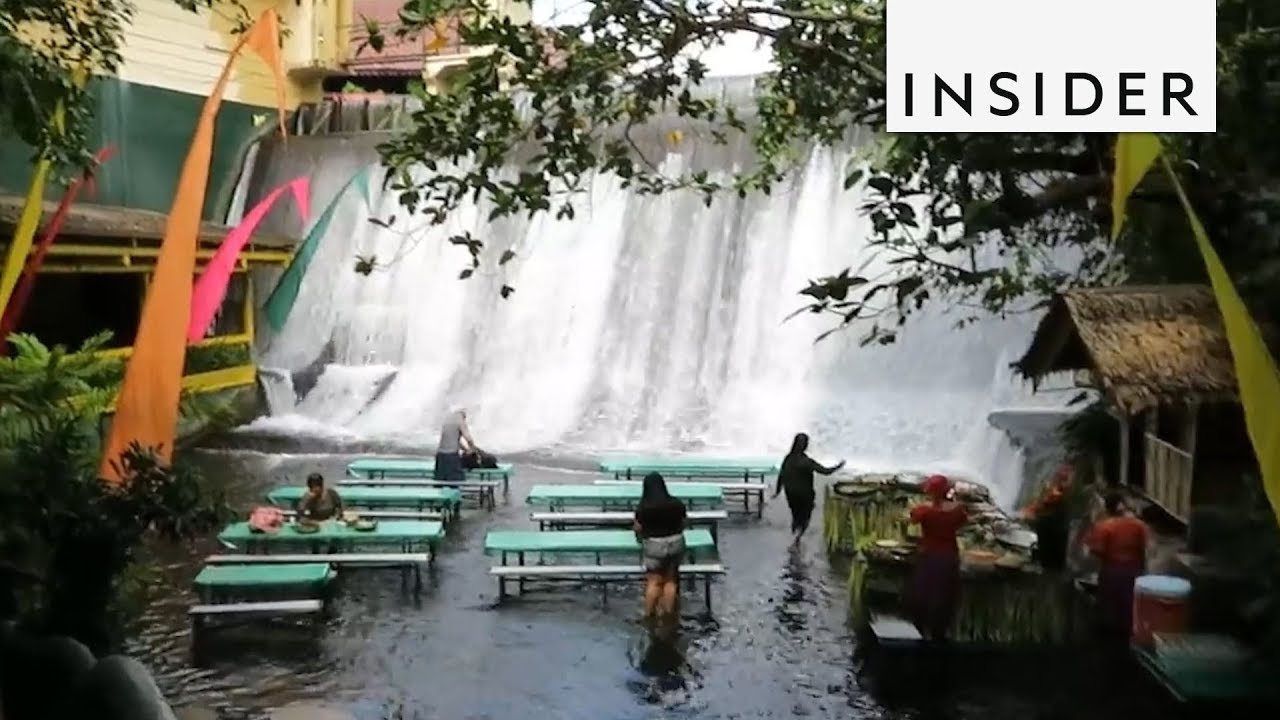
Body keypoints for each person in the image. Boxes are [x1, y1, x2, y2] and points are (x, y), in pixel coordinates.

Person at [906, 474, 968, 641]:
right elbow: (962, 522)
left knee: (925, 592)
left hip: (930, 556)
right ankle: (941, 631)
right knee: (945, 594)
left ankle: (922, 628)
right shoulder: (957, 509)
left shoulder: (924, 510)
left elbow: (912, 520)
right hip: (949, 556)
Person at [1085, 491, 1149, 637]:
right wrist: (1144, 571)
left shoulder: (1103, 528)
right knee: (1129, 609)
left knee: (1109, 611)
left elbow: (1096, 554)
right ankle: (1128, 641)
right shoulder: (1139, 525)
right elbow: (1144, 550)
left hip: (1111, 573)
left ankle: (1109, 643)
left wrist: (1093, 573)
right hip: (1133, 571)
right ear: (1123, 506)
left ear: (1107, 508)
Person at [634, 472, 688, 624]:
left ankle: (649, 615)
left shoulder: (644, 507)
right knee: (671, 580)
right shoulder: (676, 503)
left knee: (654, 581)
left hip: (654, 547)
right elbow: (684, 524)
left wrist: (641, 538)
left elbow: (638, 528)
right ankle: (668, 614)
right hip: (675, 544)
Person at [774, 433, 845, 545]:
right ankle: (798, 537)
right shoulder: (807, 462)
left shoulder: (788, 458)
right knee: (805, 516)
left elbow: (781, 475)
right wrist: (838, 466)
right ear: (805, 446)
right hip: (805, 495)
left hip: (791, 493)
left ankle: (794, 532)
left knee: (795, 514)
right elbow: (825, 471)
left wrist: (777, 491)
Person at [1020, 463, 1072, 571]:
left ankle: (1050, 571)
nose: (1061, 474)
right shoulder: (1055, 487)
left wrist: (1030, 513)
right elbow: (1042, 501)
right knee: (1053, 557)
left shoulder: (1060, 491)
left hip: (1053, 525)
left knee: (1051, 557)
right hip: (1055, 526)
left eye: (1065, 472)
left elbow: (1046, 501)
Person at [436, 408, 481, 486]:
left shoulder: (448, 419)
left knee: (441, 482)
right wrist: (473, 450)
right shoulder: (460, 420)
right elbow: (468, 438)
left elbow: (455, 440)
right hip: (451, 455)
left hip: (440, 455)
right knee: (457, 482)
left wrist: (466, 449)